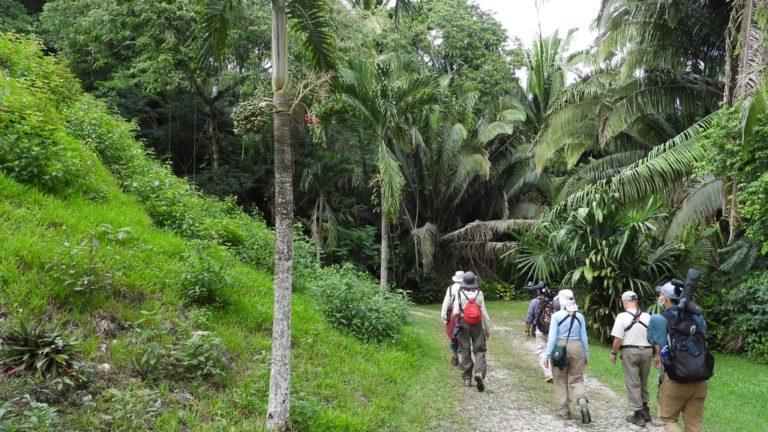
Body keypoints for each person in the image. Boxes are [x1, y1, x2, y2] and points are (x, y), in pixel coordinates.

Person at [647, 282, 708, 432]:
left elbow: (652, 340)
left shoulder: (659, 319)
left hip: (675, 377)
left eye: (661, 294)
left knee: (669, 420)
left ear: (666, 299)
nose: (659, 297)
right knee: (694, 425)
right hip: (700, 378)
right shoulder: (697, 318)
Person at [610, 290, 653, 426]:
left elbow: (618, 339)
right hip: (647, 351)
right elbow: (654, 337)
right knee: (643, 381)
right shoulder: (648, 316)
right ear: (636, 302)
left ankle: (638, 414)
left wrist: (613, 352)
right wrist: (656, 354)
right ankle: (646, 410)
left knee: (633, 382)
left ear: (624, 302)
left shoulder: (622, 316)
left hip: (630, 351)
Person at [544, 299, 590, 423]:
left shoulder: (556, 316)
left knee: (559, 378)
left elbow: (552, 337)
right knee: (577, 378)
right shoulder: (580, 316)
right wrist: (586, 355)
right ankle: (581, 400)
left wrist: (547, 355)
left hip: (559, 346)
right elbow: (584, 338)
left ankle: (565, 409)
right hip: (577, 347)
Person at [452, 271, 492, 392]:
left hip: (464, 323)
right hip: (477, 324)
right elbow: (484, 313)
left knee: (465, 349)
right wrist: (487, 328)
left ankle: (467, 378)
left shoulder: (459, 293)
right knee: (480, 349)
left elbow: (455, 312)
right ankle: (479, 372)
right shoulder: (479, 293)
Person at [524, 281, 554, 383]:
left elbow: (529, 318)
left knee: (541, 350)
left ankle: (549, 373)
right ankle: (556, 372)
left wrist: (527, 330)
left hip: (540, 329)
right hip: (553, 330)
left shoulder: (535, 302)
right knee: (551, 349)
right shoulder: (553, 300)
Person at [440, 271, 464, 366]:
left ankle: (455, 356)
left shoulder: (450, 288)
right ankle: (462, 360)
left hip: (452, 315)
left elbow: (445, 304)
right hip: (463, 315)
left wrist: (444, 317)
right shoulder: (468, 288)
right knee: (463, 337)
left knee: (453, 337)